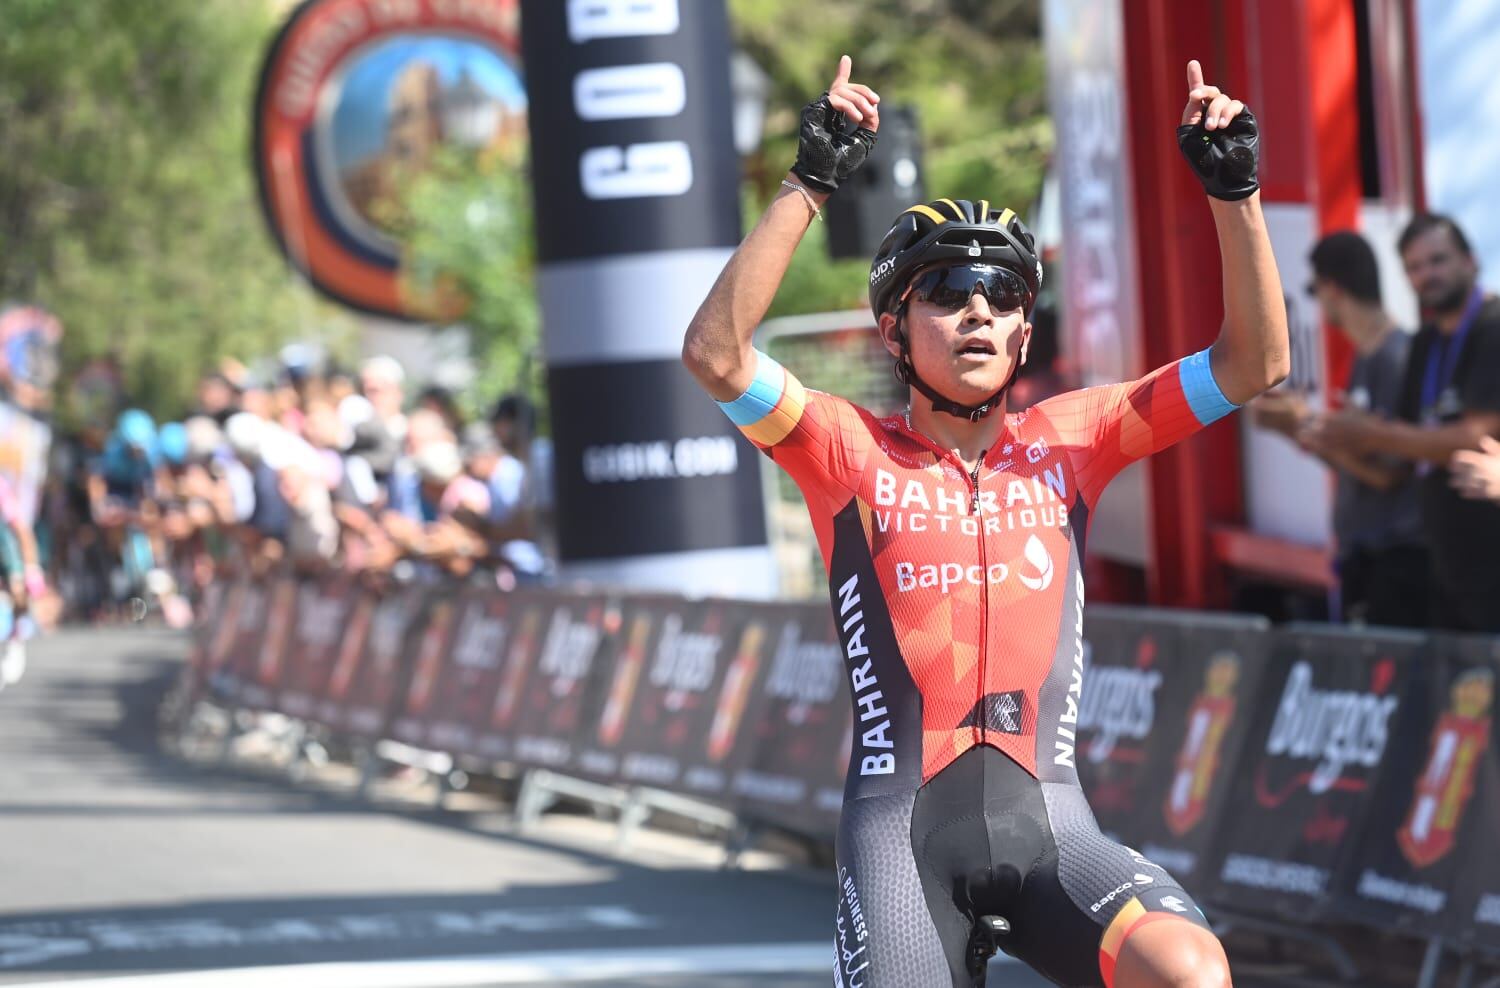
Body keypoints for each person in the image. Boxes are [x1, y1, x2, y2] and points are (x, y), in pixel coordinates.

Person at [683, 57, 1286, 988]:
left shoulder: (1076, 438)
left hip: (1052, 826)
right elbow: (716, 354)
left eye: (1003, 297)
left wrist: (1235, 195)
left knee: (1188, 971)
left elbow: (1254, 366)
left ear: (1024, 334)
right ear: (893, 329)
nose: (978, 311)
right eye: (947, 292)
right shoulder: (846, 450)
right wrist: (808, 185)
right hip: (902, 831)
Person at [1307, 214, 1500, 632]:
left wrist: (1374, 433)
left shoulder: (1492, 325)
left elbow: (1474, 438)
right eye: (1415, 267)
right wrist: (1326, 434)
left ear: (1471, 261)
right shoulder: (1426, 341)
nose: (1427, 275)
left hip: (1489, 560)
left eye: (1438, 261)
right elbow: (1397, 462)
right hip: (1443, 565)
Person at [1251, 231, 1427, 626]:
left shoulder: (1394, 357)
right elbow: (1361, 462)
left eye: (1314, 290)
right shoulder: (1371, 356)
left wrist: (1304, 425)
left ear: (1331, 288)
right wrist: (1298, 430)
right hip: (1371, 557)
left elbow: (1389, 473)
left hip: (1394, 560)